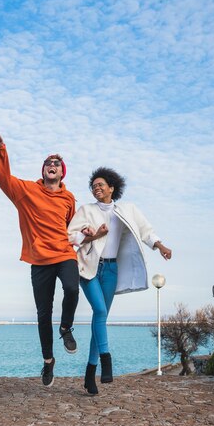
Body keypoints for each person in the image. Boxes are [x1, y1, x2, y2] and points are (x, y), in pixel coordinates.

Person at [68, 167, 172, 395]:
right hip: (88, 267)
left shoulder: (128, 209)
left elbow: (146, 231)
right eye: (93, 186)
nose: (96, 189)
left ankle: (89, 373)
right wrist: (91, 233)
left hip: (112, 269)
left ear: (112, 188)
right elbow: (70, 236)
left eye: (100, 185)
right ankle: (106, 359)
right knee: (100, 311)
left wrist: (160, 246)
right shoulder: (86, 210)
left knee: (100, 317)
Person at [0, 134, 79, 387]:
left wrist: (86, 234)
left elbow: (71, 225)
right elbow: (2, 177)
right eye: (48, 162)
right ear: (43, 170)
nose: (52, 165)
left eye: (57, 163)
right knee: (43, 313)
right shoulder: (26, 191)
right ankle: (48, 361)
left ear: (63, 172)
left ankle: (66, 328)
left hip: (64, 253)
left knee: (72, 288)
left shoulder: (69, 198)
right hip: (39, 259)